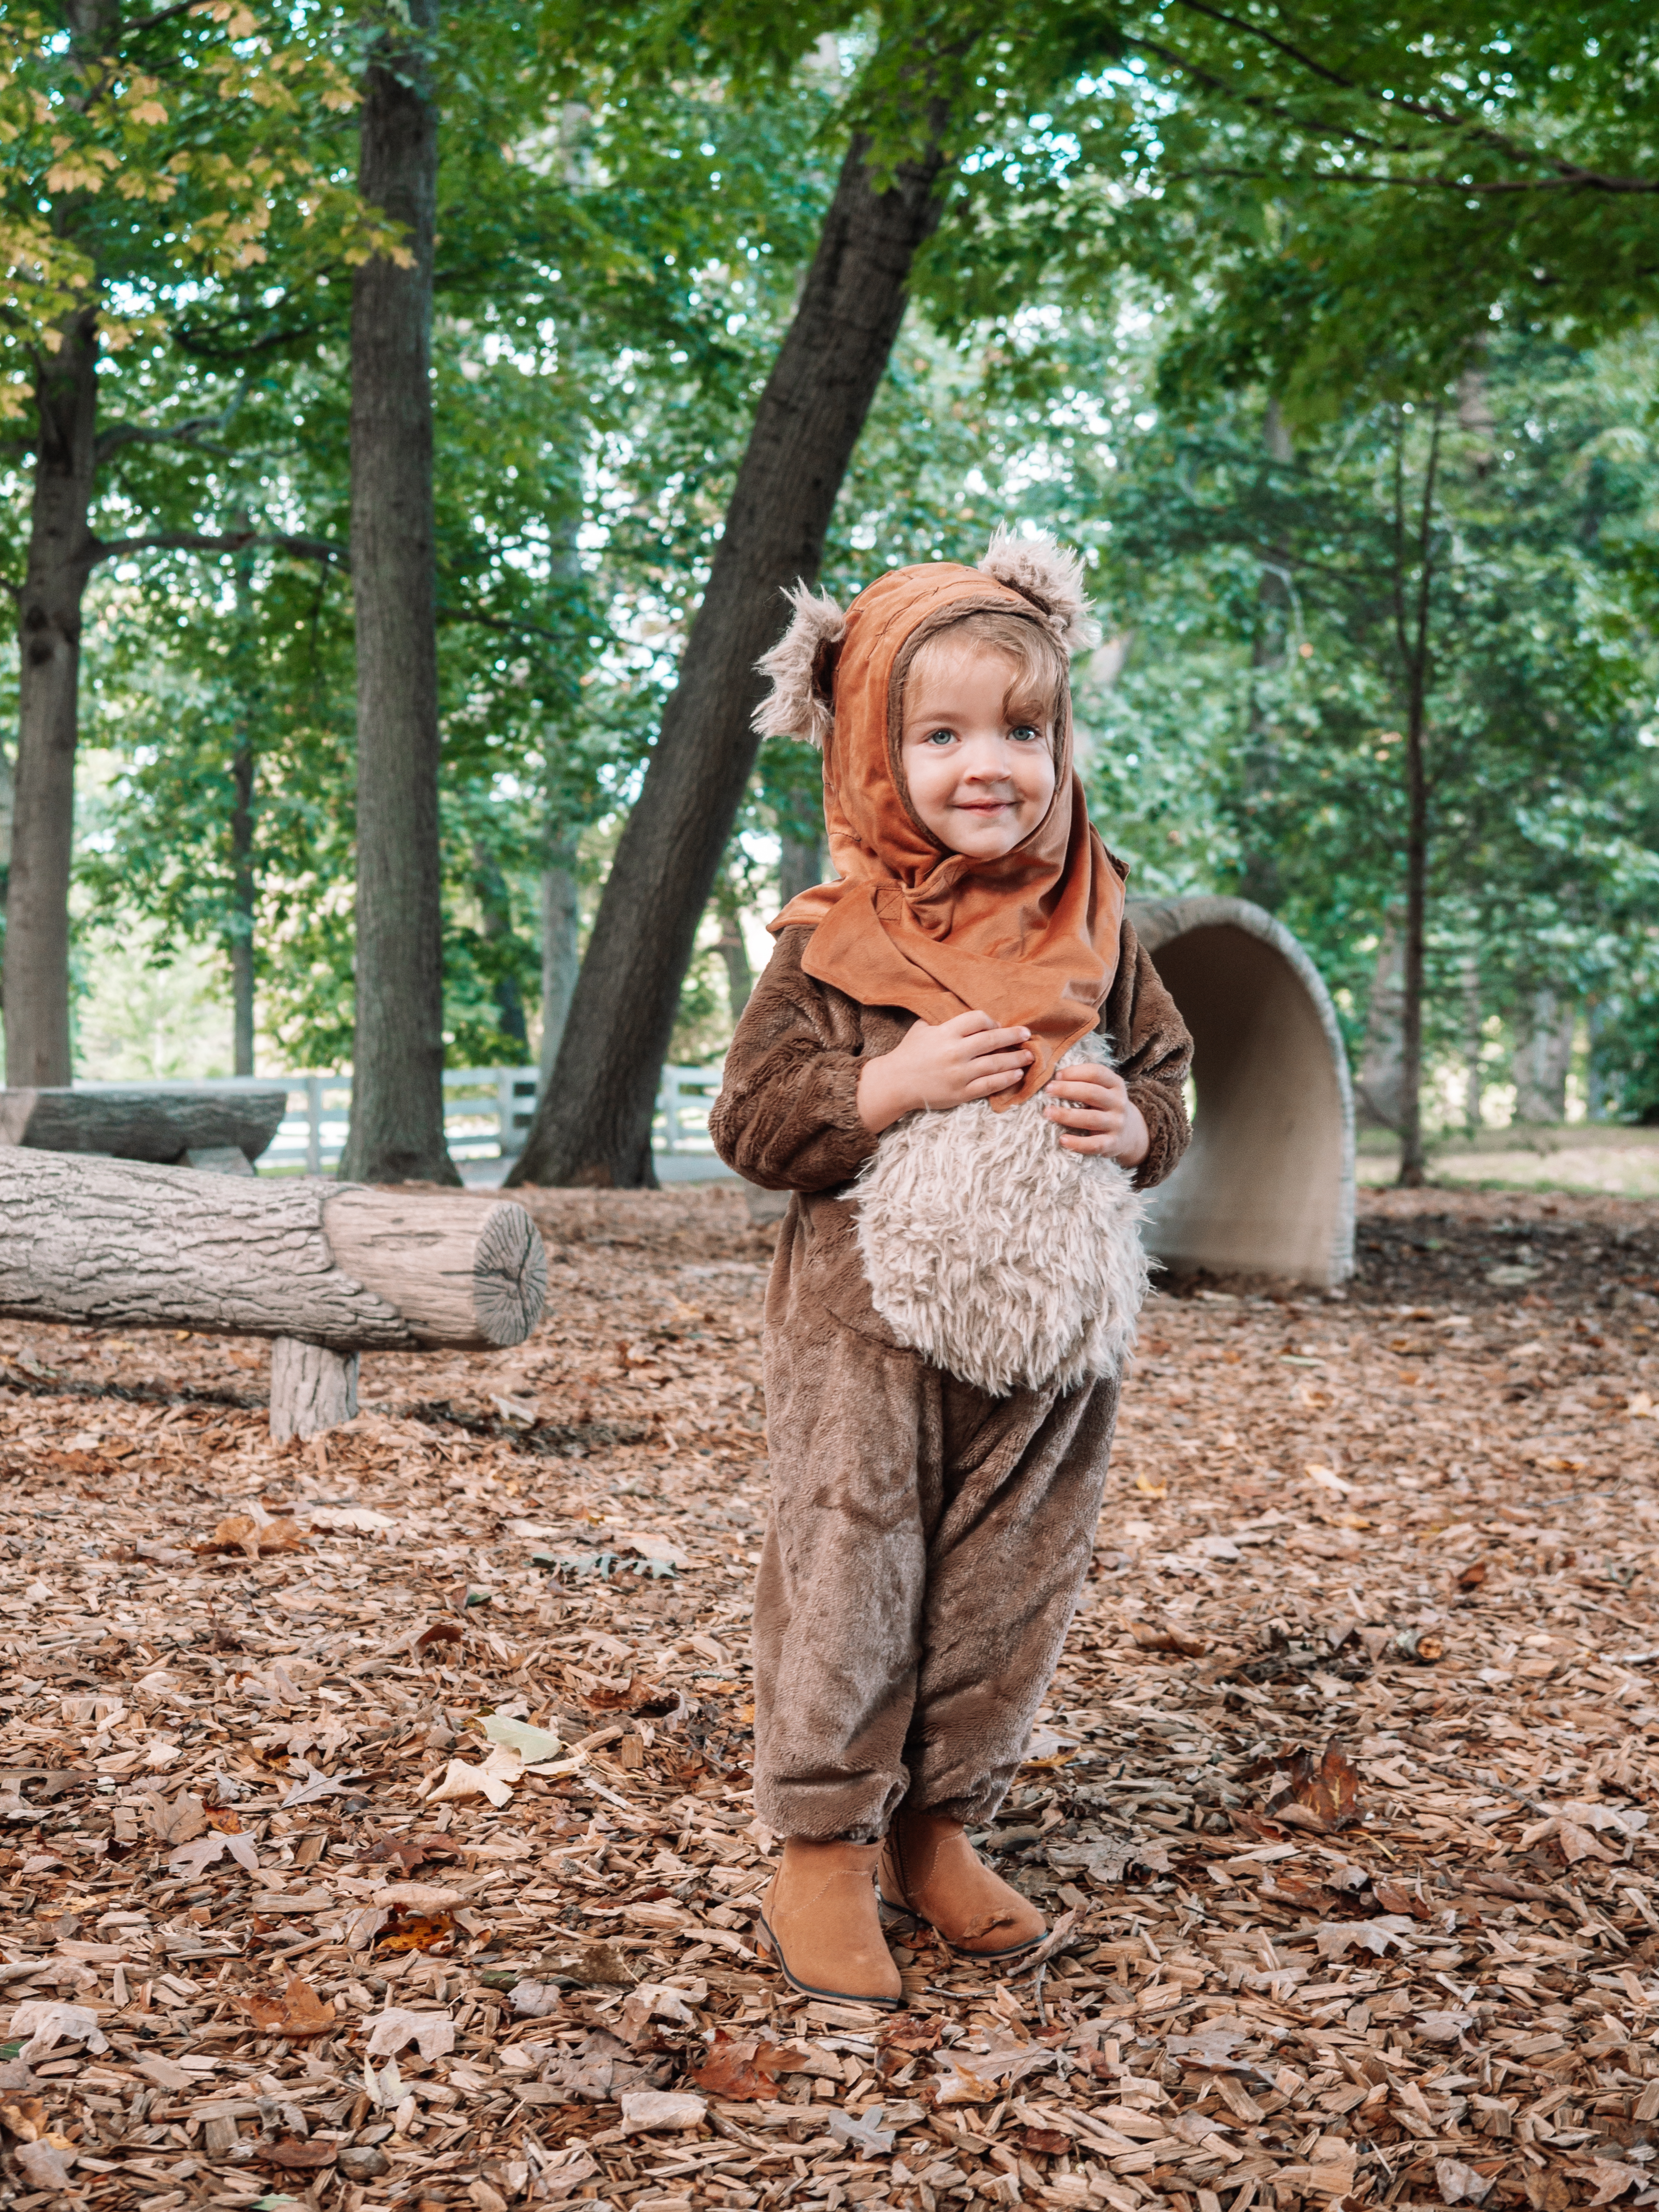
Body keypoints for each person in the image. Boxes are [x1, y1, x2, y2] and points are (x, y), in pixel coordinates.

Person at [709, 532, 1193, 2007]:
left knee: (1009, 1583)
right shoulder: (829, 942)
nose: (990, 766)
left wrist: (1139, 1125)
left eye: (1024, 731)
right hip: (867, 1331)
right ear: (868, 751)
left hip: (1054, 1330)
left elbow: (1164, 1081)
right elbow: (749, 1120)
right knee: (856, 1565)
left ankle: (937, 1826)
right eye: (940, 735)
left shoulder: (1098, 926)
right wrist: (888, 1087)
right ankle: (820, 1847)